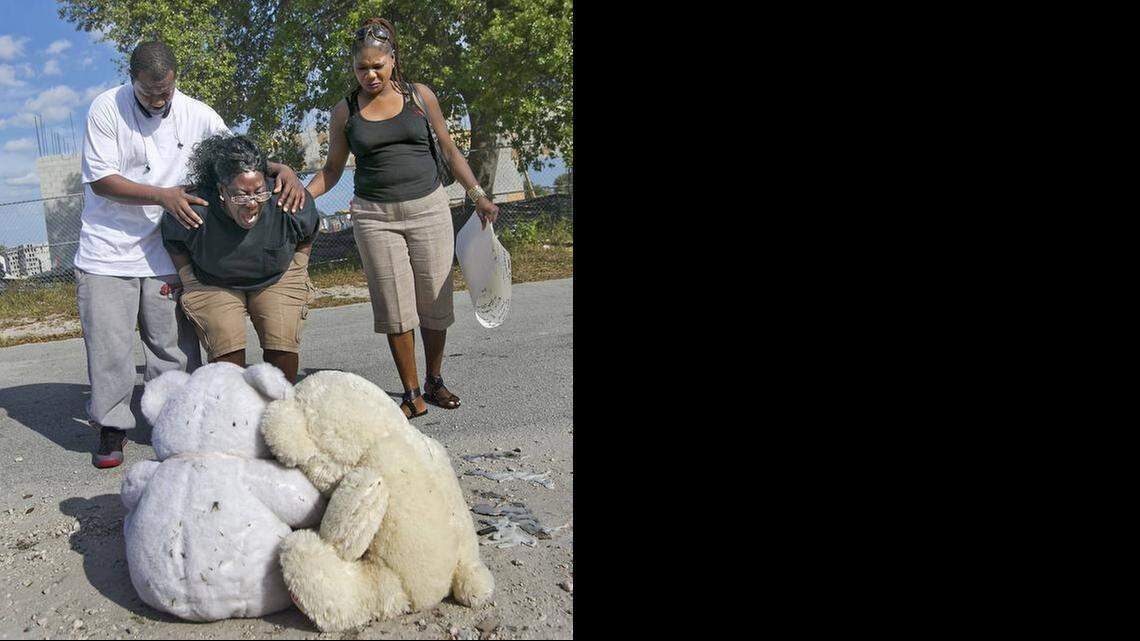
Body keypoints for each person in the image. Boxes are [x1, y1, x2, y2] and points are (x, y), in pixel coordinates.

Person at [77, 41, 307, 468]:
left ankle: (173, 423)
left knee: (173, 350)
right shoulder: (106, 109)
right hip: (107, 253)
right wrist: (164, 196)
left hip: (167, 248)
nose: (160, 100)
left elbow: (235, 157)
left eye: (166, 91)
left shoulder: (197, 114)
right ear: (133, 81)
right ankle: (112, 428)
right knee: (110, 349)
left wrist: (281, 169)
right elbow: (102, 180)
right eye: (150, 93)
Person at [305, 17, 500, 419]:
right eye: (362, 68)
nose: (370, 74)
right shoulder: (345, 111)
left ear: (393, 60)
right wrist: (299, 194)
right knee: (394, 306)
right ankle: (411, 394)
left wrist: (477, 194)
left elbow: (448, 150)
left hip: (428, 207)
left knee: (435, 298)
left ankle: (435, 379)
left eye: (378, 65)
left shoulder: (420, 97)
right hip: (374, 216)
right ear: (353, 68)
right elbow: (332, 170)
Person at [161, 134, 319, 383]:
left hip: (277, 276)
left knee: (281, 346)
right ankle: (234, 414)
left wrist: (298, 267)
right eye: (241, 195)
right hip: (212, 282)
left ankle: (279, 408)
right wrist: (187, 278)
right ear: (222, 190)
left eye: (259, 193)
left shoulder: (286, 198)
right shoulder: (197, 206)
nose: (252, 203)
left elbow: (308, 231)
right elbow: (173, 239)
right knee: (227, 358)